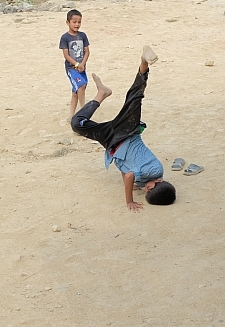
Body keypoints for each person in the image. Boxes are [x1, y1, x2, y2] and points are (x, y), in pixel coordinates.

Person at [70, 46, 176, 212]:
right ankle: (143, 62)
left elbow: (126, 170)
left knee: (77, 123)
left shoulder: (146, 180)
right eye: (150, 188)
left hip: (112, 141)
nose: (146, 189)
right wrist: (129, 201)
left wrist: (136, 184)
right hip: (127, 132)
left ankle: (102, 94)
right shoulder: (156, 170)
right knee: (134, 97)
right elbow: (128, 176)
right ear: (160, 182)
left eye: (146, 191)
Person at [59, 9, 90, 119]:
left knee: (76, 91)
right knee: (81, 86)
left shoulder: (83, 36)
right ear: (68, 23)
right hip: (72, 69)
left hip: (82, 68)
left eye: (79, 22)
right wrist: (77, 65)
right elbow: (66, 56)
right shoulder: (65, 38)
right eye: (74, 22)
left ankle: (71, 116)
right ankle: (83, 112)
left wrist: (82, 64)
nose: (77, 24)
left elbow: (87, 51)